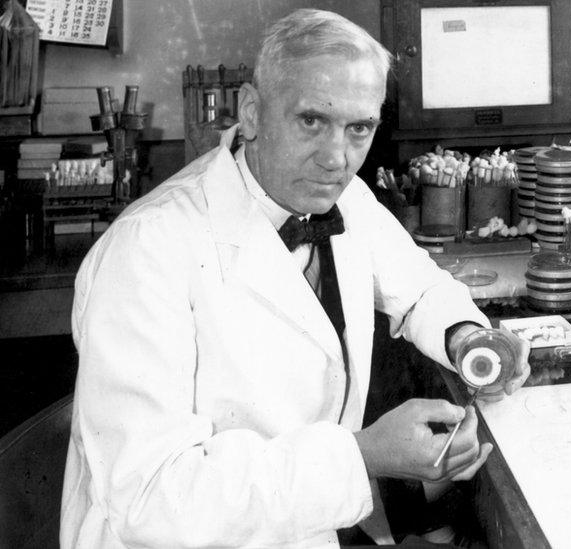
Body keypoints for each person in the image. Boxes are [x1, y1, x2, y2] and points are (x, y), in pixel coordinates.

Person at [60, 9, 528, 548]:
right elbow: (150, 500)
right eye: (311, 120)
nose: (336, 158)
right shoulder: (146, 250)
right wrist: (363, 455)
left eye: (359, 129)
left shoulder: (341, 194)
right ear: (253, 112)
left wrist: (468, 339)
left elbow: (421, 289)